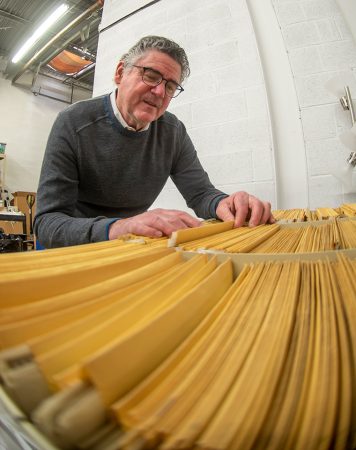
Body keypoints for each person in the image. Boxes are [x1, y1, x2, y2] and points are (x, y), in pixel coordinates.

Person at [34, 35, 274, 248]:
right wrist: (119, 227)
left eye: (170, 86)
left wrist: (226, 203)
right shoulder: (73, 122)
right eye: (150, 76)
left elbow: (201, 194)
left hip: (128, 243)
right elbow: (47, 223)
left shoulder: (173, 131)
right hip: (71, 246)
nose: (159, 92)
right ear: (120, 73)